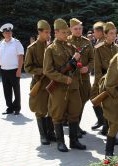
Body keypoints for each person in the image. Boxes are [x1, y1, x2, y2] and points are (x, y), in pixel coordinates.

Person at [43, 18, 86, 152]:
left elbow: (77, 67)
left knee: (75, 112)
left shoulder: (70, 47)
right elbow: (47, 70)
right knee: (57, 114)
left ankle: (74, 141)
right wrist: (62, 78)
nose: (66, 35)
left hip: (73, 86)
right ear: (56, 32)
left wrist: (77, 64)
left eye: (67, 32)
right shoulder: (50, 49)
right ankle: (60, 142)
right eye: (63, 32)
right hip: (59, 88)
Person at [24, 20, 55, 145]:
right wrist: (42, 71)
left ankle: (51, 133)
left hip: (51, 82)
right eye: (46, 32)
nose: (48, 35)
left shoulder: (51, 47)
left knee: (51, 108)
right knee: (40, 109)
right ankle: (43, 135)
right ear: (39, 32)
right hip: (39, 82)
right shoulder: (32, 48)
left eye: (49, 32)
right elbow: (27, 68)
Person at [67, 18, 94, 136]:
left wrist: (88, 67)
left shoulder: (87, 42)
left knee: (83, 100)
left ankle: (77, 125)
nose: (78, 31)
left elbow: (93, 59)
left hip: (84, 77)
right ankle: (73, 126)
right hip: (72, 77)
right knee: (73, 103)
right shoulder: (66, 41)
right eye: (76, 29)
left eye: (80, 28)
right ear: (70, 29)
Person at [91, 22, 118, 135]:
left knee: (111, 107)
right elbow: (97, 69)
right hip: (104, 81)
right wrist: (99, 85)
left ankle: (105, 128)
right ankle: (106, 128)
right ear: (105, 34)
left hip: (115, 81)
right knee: (105, 105)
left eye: (115, 33)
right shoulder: (98, 48)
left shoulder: (116, 48)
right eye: (111, 33)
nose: (114, 36)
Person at [0, 23, 24, 115]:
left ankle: (17, 108)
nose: (8, 33)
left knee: (16, 90)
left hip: (14, 70)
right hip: (4, 70)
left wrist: (19, 69)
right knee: (6, 90)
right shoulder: (0, 44)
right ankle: (9, 107)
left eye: (10, 32)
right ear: (3, 34)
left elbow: (20, 56)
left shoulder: (16, 42)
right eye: (6, 32)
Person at [91, 21, 106, 130]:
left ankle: (104, 121)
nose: (93, 33)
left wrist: (97, 81)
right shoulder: (100, 41)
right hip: (102, 76)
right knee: (96, 98)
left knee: (95, 97)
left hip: (101, 77)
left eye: (95, 31)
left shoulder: (100, 44)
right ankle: (102, 120)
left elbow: (98, 66)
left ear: (100, 32)